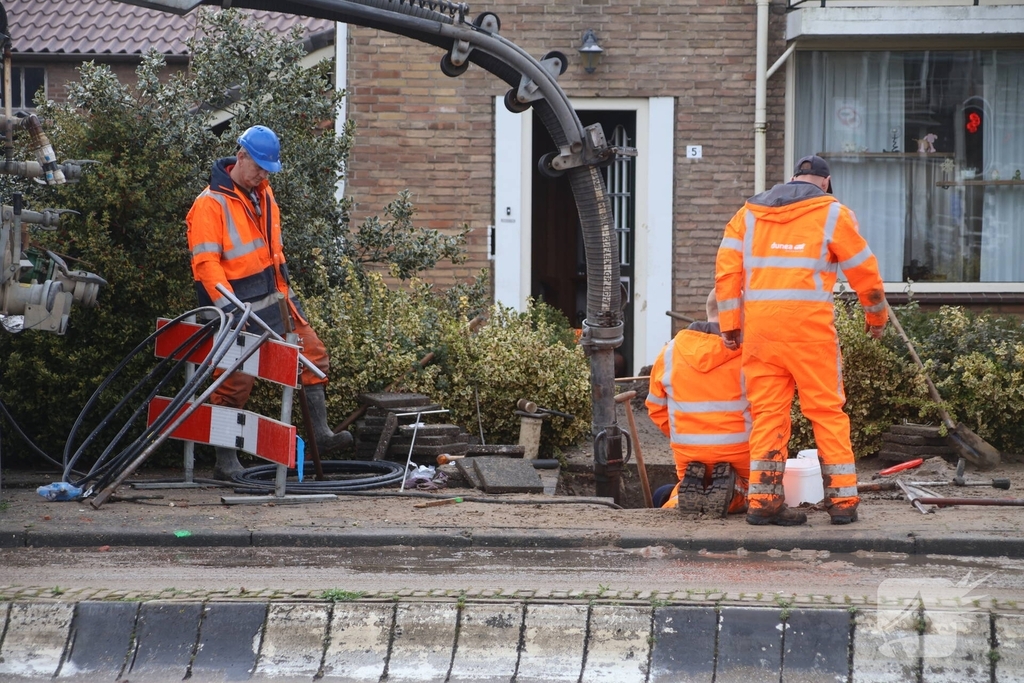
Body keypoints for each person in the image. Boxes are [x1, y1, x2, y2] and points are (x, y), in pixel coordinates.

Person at [715, 154, 887, 527]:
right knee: (826, 411)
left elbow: (727, 271)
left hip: (761, 334)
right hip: (809, 334)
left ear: (792, 178)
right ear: (824, 183)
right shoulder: (833, 214)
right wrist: (876, 317)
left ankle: (763, 500)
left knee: (768, 415)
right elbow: (864, 272)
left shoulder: (747, 215)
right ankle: (842, 503)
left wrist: (729, 325)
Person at [186, 125, 351, 479]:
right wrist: (227, 307)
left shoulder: (264, 193)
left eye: (267, 169)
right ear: (240, 157)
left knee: (313, 356)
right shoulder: (209, 204)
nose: (262, 175)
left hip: (277, 303)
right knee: (232, 384)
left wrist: (289, 300)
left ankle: (320, 434)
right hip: (236, 312)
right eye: (258, 167)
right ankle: (225, 462)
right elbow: (206, 264)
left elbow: (272, 253)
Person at [645, 290, 750, 517]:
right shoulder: (751, 355)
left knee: (667, 491)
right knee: (753, 490)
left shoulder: (669, 352)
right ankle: (736, 493)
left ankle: (676, 500)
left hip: (689, 452)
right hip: (741, 452)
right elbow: (768, 408)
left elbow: (655, 407)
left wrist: (684, 432)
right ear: (739, 314)